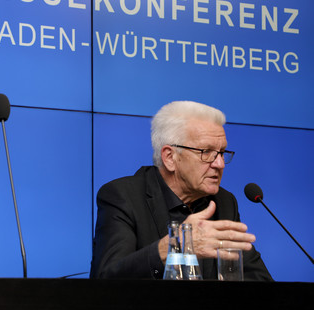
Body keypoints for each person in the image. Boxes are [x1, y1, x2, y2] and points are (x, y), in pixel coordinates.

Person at [90, 100, 272, 280]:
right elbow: (106, 279)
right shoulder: (123, 196)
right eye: (206, 152)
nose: (220, 163)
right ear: (170, 157)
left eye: (222, 152)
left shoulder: (223, 201)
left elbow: (259, 280)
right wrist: (170, 248)